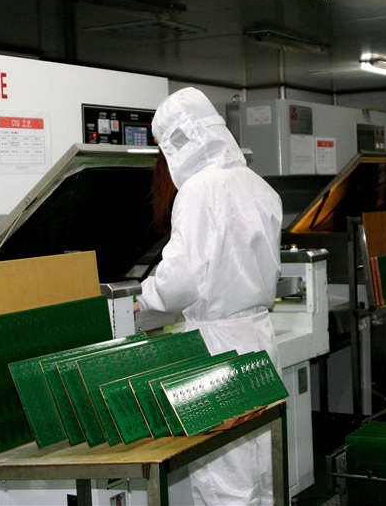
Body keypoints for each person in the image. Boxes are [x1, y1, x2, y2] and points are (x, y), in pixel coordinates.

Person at [136, 87, 283, 505]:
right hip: (259, 339)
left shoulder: (199, 191)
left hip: (217, 349)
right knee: (262, 469)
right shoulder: (258, 186)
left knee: (225, 478)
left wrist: (141, 300)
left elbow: (180, 281)